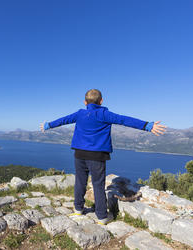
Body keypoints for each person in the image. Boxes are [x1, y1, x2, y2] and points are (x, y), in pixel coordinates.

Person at [40, 89, 166, 225]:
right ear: (101, 101)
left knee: (80, 182)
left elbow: (64, 120)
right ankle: (102, 216)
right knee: (98, 185)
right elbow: (124, 120)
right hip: (97, 155)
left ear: (85, 102)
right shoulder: (104, 114)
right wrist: (147, 126)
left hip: (79, 154)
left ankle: (78, 209)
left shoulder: (80, 114)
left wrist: (48, 125)